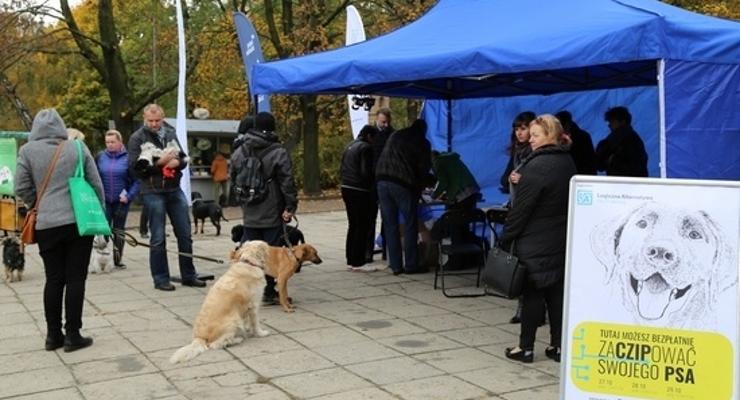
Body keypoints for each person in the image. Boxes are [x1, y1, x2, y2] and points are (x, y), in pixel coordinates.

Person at [15, 108, 101, 352]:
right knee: (76, 278)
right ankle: (73, 334)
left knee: (54, 279)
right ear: (61, 127)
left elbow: (21, 186)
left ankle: (53, 336)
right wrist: (101, 214)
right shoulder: (76, 147)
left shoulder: (27, 151)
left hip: (46, 224)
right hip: (78, 222)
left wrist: (38, 204)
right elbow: (95, 183)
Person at [500, 114, 576, 364]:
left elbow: (522, 209)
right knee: (556, 296)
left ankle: (526, 348)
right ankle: (558, 346)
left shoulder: (537, 165)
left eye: (535, 135)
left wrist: (505, 237)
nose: (530, 140)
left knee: (532, 295)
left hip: (534, 242)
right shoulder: (567, 161)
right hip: (559, 239)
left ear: (550, 136)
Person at [127, 104, 206, 291]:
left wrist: (177, 162)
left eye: (157, 120)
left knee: (185, 234)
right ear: (144, 119)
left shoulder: (170, 133)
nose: (154, 124)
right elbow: (134, 169)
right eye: (150, 121)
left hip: (173, 188)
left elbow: (183, 159)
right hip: (152, 190)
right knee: (158, 237)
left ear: (163, 118)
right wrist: (160, 163)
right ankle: (161, 278)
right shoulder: (137, 138)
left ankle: (188, 274)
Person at [230, 111, 298, 304]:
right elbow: (287, 181)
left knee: (249, 251)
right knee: (271, 254)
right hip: (271, 209)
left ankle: (247, 289)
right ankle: (268, 291)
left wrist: (242, 199)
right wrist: (290, 206)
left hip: (250, 209)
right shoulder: (278, 151)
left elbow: (233, 175)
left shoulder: (240, 150)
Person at [375, 119, 432, 275]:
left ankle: (395, 265)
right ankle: (411, 265)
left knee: (390, 225)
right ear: (423, 130)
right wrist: (420, 189)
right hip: (402, 183)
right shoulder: (422, 142)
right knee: (410, 223)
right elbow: (423, 169)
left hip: (381, 180)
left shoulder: (396, 135)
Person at [96, 129, 140, 268]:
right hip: (105, 200)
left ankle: (117, 259)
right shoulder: (100, 157)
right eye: (107, 142)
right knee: (104, 230)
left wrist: (129, 195)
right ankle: (103, 259)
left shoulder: (129, 158)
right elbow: (95, 177)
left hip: (122, 201)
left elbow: (137, 181)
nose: (109, 145)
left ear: (120, 142)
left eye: (112, 142)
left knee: (119, 230)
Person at [340, 125, 378, 272]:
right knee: (362, 225)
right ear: (370, 136)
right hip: (360, 190)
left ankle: (350, 258)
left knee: (353, 224)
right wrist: (371, 185)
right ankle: (358, 260)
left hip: (346, 186)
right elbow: (366, 172)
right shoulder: (366, 148)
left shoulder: (350, 145)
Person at [367, 107, 395, 263]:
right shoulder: (371, 134)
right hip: (375, 180)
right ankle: (370, 250)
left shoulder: (390, 134)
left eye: (386, 122)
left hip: (384, 178)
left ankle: (386, 248)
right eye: (382, 121)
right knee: (373, 216)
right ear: (377, 119)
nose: (384, 124)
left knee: (387, 216)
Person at [595, 106, 648, 177]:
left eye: (612, 121)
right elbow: (599, 164)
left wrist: (612, 161)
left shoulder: (632, 141)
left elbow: (635, 167)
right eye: (609, 122)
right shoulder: (611, 140)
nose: (609, 125)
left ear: (623, 122)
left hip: (631, 183)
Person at [499, 111, 535, 194]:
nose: (519, 133)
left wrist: (523, 179)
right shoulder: (517, 151)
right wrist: (510, 179)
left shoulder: (537, 151)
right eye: (516, 130)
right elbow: (504, 180)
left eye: (523, 129)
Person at [555, 110, 597, 175]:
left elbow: (588, 161)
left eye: (558, 125)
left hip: (581, 175)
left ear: (566, 124)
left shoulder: (582, 137)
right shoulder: (583, 135)